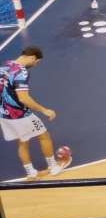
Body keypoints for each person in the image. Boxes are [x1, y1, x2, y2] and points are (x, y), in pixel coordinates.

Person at [0, 47, 67, 179]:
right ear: (32, 57)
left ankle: (31, 173)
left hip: (4, 114)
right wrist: (45, 110)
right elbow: (23, 98)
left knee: (22, 142)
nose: (36, 65)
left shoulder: (5, 66)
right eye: (37, 62)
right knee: (44, 135)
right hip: (20, 114)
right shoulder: (22, 72)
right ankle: (53, 167)